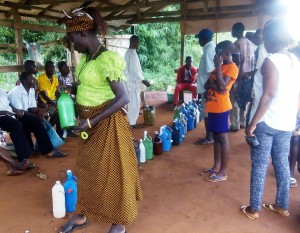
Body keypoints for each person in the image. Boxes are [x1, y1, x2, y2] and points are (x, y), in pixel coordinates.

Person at [59, 7, 142, 233]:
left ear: (84, 35)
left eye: (72, 38)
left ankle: (119, 222)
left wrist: (91, 121)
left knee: (114, 173)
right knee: (87, 170)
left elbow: (123, 97)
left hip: (106, 125)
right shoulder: (87, 58)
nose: (71, 44)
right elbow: (91, 85)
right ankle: (81, 215)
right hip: (89, 123)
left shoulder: (108, 59)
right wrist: (75, 92)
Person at [241, 20, 300, 220]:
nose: (263, 41)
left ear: (271, 38)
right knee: (282, 164)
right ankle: (282, 206)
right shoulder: (294, 60)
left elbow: (268, 96)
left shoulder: (271, 61)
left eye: (265, 37)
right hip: (285, 121)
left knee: (259, 165)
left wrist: (252, 124)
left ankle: (254, 209)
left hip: (266, 122)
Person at [200, 40, 238, 182]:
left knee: (222, 138)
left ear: (226, 54)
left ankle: (223, 172)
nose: (216, 55)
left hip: (222, 108)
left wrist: (217, 70)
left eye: (218, 52)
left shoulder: (232, 68)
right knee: (216, 137)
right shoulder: (218, 69)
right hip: (212, 106)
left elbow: (222, 87)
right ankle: (216, 167)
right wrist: (214, 83)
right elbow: (206, 85)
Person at [8, 72, 66, 158]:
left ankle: (35, 148)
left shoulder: (31, 90)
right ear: (24, 81)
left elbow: (31, 107)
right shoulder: (16, 92)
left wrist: (40, 112)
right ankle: (49, 151)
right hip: (15, 116)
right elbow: (20, 112)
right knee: (37, 121)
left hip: (25, 114)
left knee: (40, 119)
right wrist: (37, 116)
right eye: (31, 79)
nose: (34, 80)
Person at [230, 22, 256, 132]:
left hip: (239, 76)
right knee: (245, 99)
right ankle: (243, 121)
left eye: (233, 30)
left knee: (234, 98)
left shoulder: (237, 43)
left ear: (237, 30)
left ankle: (235, 124)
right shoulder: (251, 43)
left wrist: (235, 77)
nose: (232, 32)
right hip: (249, 76)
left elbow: (237, 61)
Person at [194, 28, 215, 145]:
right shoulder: (210, 48)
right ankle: (211, 135)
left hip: (207, 88)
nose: (199, 41)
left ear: (204, 38)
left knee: (207, 113)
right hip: (207, 87)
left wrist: (208, 89)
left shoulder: (208, 50)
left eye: (200, 39)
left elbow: (210, 71)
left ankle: (209, 136)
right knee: (209, 112)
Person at [124, 35, 150, 128]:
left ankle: (131, 121)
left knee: (132, 102)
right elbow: (134, 70)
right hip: (133, 81)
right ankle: (132, 123)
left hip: (129, 80)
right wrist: (143, 80)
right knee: (135, 102)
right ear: (134, 42)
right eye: (137, 42)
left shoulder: (128, 52)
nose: (138, 44)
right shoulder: (132, 54)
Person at [37, 61, 63, 139]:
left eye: (53, 67)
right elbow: (44, 96)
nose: (52, 69)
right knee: (57, 113)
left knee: (61, 111)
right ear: (45, 68)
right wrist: (55, 104)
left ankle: (59, 134)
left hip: (53, 101)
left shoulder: (55, 78)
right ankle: (47, 131)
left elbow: (57, 91)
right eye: (49, 67)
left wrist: (60, 99)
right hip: (44, 103)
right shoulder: (41, 78)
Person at [57, 61, 78, 138]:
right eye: (65, 67)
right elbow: (62, 89)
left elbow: (71, 86)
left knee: (75, 109)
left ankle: (71, 128)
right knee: (67, 110)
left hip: (71, 97)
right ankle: (66, 130)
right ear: (60, 69)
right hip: (64, 99)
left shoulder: (70, 76)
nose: (68, 68)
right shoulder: (59, 78)